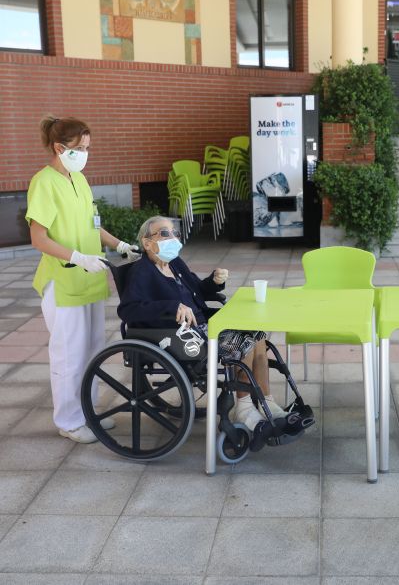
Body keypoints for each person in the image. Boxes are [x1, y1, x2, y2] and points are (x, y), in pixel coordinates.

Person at [26, 115, 141, 444]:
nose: (85, 154)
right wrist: (76, 257)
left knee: (92, 354)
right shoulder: (44, 182)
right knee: (68, 355)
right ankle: (69, 420)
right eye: (80, 148)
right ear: (60, 147)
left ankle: (87, 414)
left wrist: (118, 244)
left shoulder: (80, 180)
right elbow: (38, 238)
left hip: (90, 279)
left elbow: (93, 225)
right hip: (63, 283)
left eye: (88, 148)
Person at [116, 215, 287, 434]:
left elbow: (198, 289)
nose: (173, 238)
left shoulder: (175, 263)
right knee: (245, 342)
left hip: (204, 324)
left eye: (174, 233)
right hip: (181, 334)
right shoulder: (142, 272)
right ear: (147, 242)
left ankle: (266, 400)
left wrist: (214, 281)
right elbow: (128, 310)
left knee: (258, 334)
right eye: (164, 233)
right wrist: (171, 306)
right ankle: (243, 408)